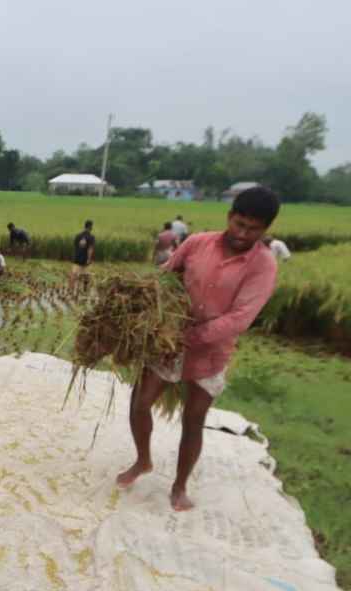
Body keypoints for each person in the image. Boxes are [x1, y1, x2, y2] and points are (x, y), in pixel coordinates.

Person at [117, 186, 282, 512]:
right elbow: (167, 277)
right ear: (229, 216)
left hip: (211, 351)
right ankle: (143, 460)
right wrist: (141, 300)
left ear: (266, 229)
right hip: (168, 341)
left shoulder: (263, 266)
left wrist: (189, 337)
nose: (242, 234)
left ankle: (179, 486)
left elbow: (239, 318)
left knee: (194, 419)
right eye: (239, 224)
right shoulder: (197, 243)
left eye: (253, 229)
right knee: (140, 402)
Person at [70, 219, 96, 292]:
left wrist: (76, 256)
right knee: (86, 275)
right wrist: (88, 259)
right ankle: (85, 290)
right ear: (90, 227)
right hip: (85, 259)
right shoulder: (91, 237)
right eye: (92, 226)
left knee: (74, 274)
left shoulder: (78, 236)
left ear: (85, 226)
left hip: (77, 258)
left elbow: (75, 247)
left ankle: (70, 289)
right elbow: (90, 249)